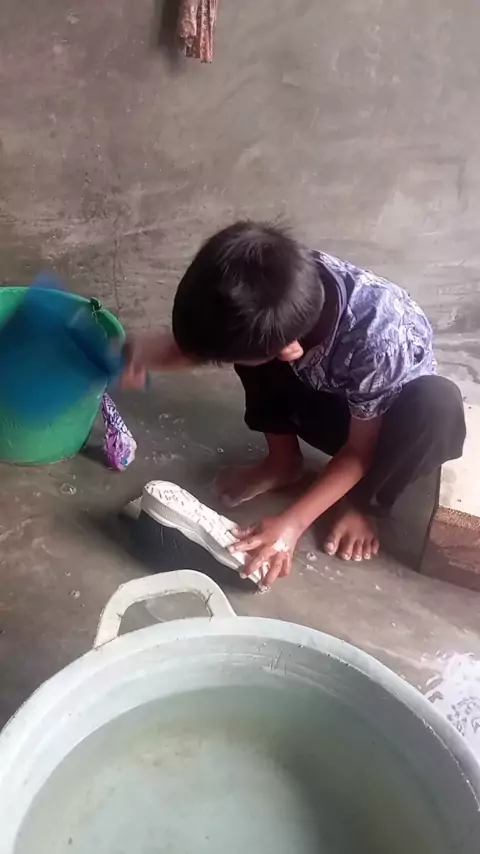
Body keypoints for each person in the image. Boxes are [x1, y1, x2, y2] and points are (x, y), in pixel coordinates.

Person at [123, 221, 466, 587]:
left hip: (385, 434)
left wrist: (291, 525)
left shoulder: (379, 343)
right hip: (329, 392)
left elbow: (358, 451)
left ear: (289, 349)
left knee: (437, 406)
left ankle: (363, 504)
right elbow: (211, 339)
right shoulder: (277, 289)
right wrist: (131, 354)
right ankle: (283, 463)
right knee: (248, 344)